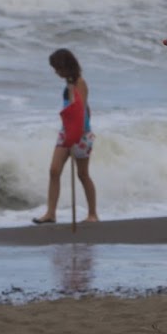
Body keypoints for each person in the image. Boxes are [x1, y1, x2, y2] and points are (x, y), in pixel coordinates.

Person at [32, 48, 98, 224]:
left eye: (57, 68)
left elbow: (80, 110)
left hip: (80, 133)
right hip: (65, 131)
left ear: (66, 66)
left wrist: (76, 133)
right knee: (54, 170)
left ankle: (93, 214)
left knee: (82, 174)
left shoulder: (80, 83)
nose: (56, 72)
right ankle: (50, 213)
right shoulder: (69, 83)